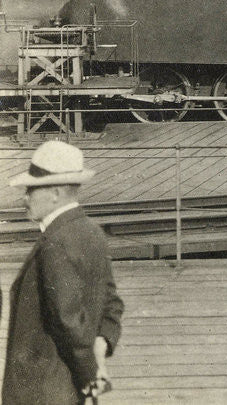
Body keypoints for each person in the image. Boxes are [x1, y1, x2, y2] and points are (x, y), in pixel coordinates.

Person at [3, 140, 124, 405]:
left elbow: (67, 318)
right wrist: (100, 348)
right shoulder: (93, 233)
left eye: (31, 190)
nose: (25, 198)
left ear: (55, 193)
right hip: (71, 390)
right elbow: (111, 303)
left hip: (41, 392)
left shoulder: (54, 243)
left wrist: (90, 373)